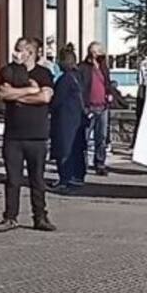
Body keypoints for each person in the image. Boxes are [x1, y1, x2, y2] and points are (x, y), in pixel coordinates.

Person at [0, 37, 55, 232]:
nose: (16, 53)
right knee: (13, 180)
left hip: (37, 135)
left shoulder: (43, 73)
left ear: (30, 53)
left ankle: (40, 217)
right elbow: (3, 94)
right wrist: (30, 90)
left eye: (20, 50)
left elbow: (45, 97)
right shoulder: (8, 71)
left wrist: (17, 96)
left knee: (37, 180)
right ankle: (10, 217)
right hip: (13, 136)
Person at [80, 42, 125, 177]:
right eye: (92, 52)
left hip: (103, 106)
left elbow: (107, 83)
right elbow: (81, 86)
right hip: (90, 106)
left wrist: (109, 93)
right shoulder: (83, 67)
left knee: (102, 138)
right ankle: (82, 164)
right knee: (84, 137)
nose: (94, 55)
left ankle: (100, 163)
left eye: (96, 52)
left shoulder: (103, 67)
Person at [50, 48, 87, 191]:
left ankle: (65, 179)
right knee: (76, 149)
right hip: (77, 119)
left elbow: (56, 101)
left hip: (65, 120)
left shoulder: (64, 80)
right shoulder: (77, 77)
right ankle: (77, 176)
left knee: (64, 150)